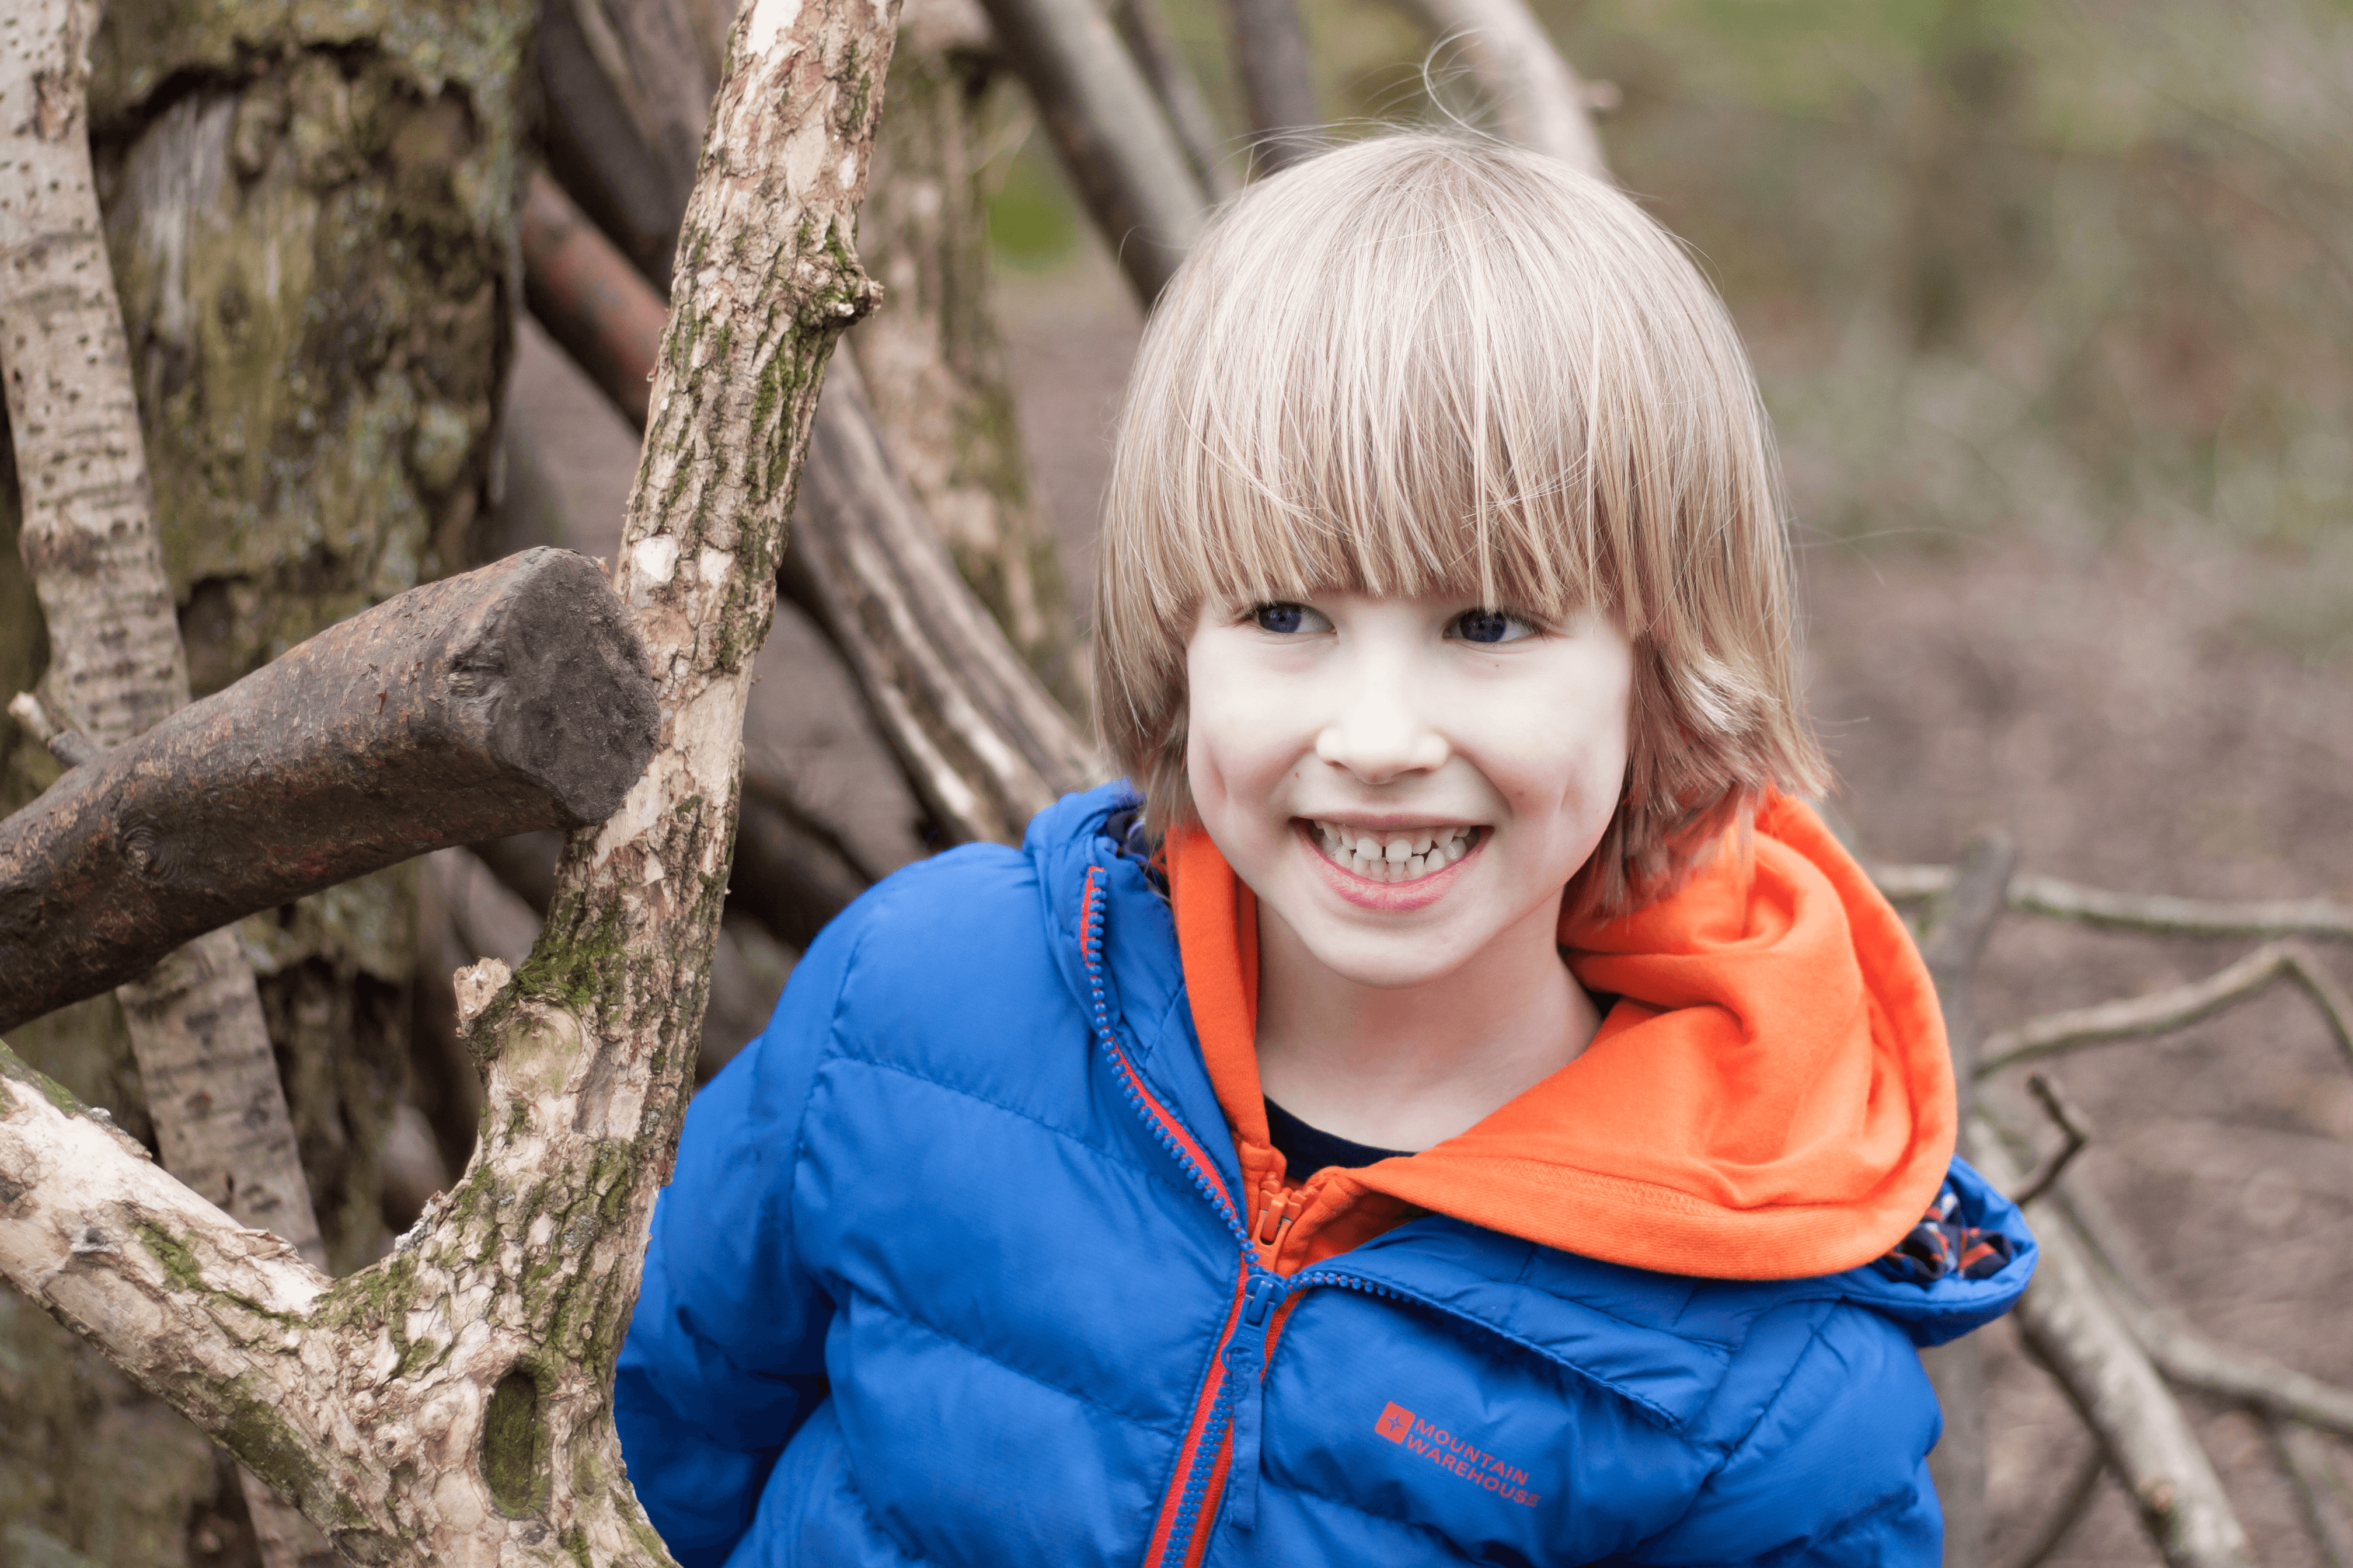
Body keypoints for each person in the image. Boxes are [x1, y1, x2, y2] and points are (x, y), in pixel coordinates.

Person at [613, 132, 2035, 1567]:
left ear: (1658, 674)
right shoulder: (910, 1003)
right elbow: (636, 1457)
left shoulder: (1763, 1378)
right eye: (1285, 616)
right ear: (1178, 638)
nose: (1372, 734)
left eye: (1485, 625)